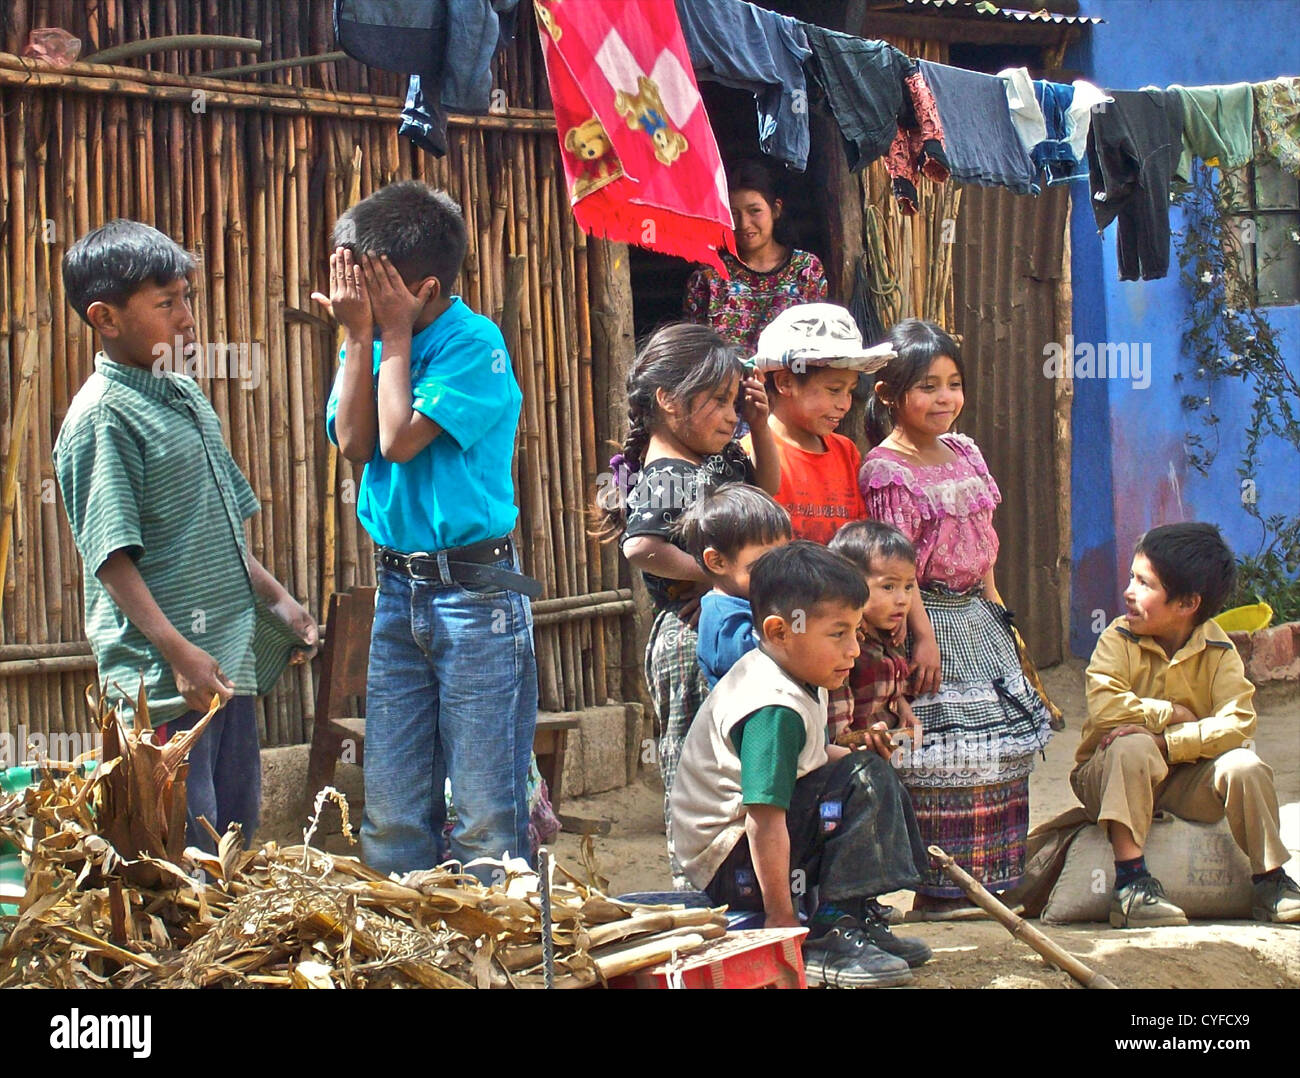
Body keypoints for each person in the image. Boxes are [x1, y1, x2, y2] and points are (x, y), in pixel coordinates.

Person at [53, 219, 318, 853]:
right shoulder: (102, 417)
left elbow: (221, 527)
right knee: (183, 849)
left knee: (234, 833)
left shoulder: (185, 396)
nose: (187, 319)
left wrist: (277, 599)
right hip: (164, 681)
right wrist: (178, 654)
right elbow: (111, 559)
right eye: (166, 304)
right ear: (105, 318)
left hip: (223, 665)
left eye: (187, 298)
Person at [320, 181, 538, 880]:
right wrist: (361, 336)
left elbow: (398, 437)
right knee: (391, 808)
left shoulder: (473, 344)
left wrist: (387, 336)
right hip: (398, 590)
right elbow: (355, 441)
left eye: (372, 285)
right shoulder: (377, 337)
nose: (354, 295)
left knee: (482, 813)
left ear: (424, 286)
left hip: (474, 597)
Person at [669, 542, 932, 987]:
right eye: (838, 634)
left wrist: (854, 758)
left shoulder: (794, 671)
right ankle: (829, 931)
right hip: (735, 865)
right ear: (779, 631)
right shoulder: (772, 707)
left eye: (855, 632)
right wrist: (780, 919)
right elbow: (763, 818)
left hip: (751, 857)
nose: (853, 649)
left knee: (865, 770)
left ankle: (854, 917)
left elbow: (808, 761)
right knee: (864, 780)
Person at [859, 318, 1053, 914]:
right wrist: (921, 639)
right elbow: (897, 567)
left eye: (953, 384)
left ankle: (995, 878)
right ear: (890, 395)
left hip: (977, 617)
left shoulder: (964, 450)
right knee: (944, 754)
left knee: (998, 749)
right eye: (928, 387)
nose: (945, 398)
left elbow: (985, 537)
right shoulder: (884, 471)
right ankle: (943, 890)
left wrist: (998, 610)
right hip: (931, 619)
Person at [595, 323, 779, 878]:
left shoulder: (715, 461)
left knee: (736, 754)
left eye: (733, 401)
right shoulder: (667, 474)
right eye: (718, 402)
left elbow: (765, 494)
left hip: (725, 627)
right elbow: (641, 546)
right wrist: (713, 577)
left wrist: (761, 426)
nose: (731, 415)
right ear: (668, 401)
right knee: (697, 758)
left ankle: (743, 877)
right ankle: (697, 881)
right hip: (688, 637)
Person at [1076, 523, 1299, 927]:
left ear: (1187, 603)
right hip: (1106, 777)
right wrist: (1173, 714)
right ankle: (1131, 886)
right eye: (1131, 577)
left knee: (1244, 766)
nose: (1128, 591)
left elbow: (1238, 723)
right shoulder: (1117, 638)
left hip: (1184, 782)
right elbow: (1107, 711)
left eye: (1145, 584)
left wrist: (1169, 743)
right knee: (1131, 746)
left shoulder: (1218, 650)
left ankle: (1271, 882)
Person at [747, 303, 892, 544]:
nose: (845, 404)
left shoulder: (846, 452)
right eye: (834, 390)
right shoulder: (751, 454)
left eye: (850, 391)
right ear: (785, 383)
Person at [683, 159, 828, 355]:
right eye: (733, 213)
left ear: (775, 210)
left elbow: (816, 347)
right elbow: (695, 354)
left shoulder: (806, 269)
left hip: (787, 384)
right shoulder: (709, 277)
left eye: (755, 211)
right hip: (727, 385)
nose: (744, 223)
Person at [672, 483, 792, 689]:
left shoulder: (756, 602)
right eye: (765, 562)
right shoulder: (724, 622)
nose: (780, 569)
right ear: (717, 562)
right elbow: (766, 669)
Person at [827, 520, 923, 754]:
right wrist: (856, 746)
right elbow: (837, 730)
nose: (902, 599)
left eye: (908, 587)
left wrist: (904, 711)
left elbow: (890, 690)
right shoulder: (846, 646)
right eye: (889, 587)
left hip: (884, 751)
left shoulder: (891, 633)